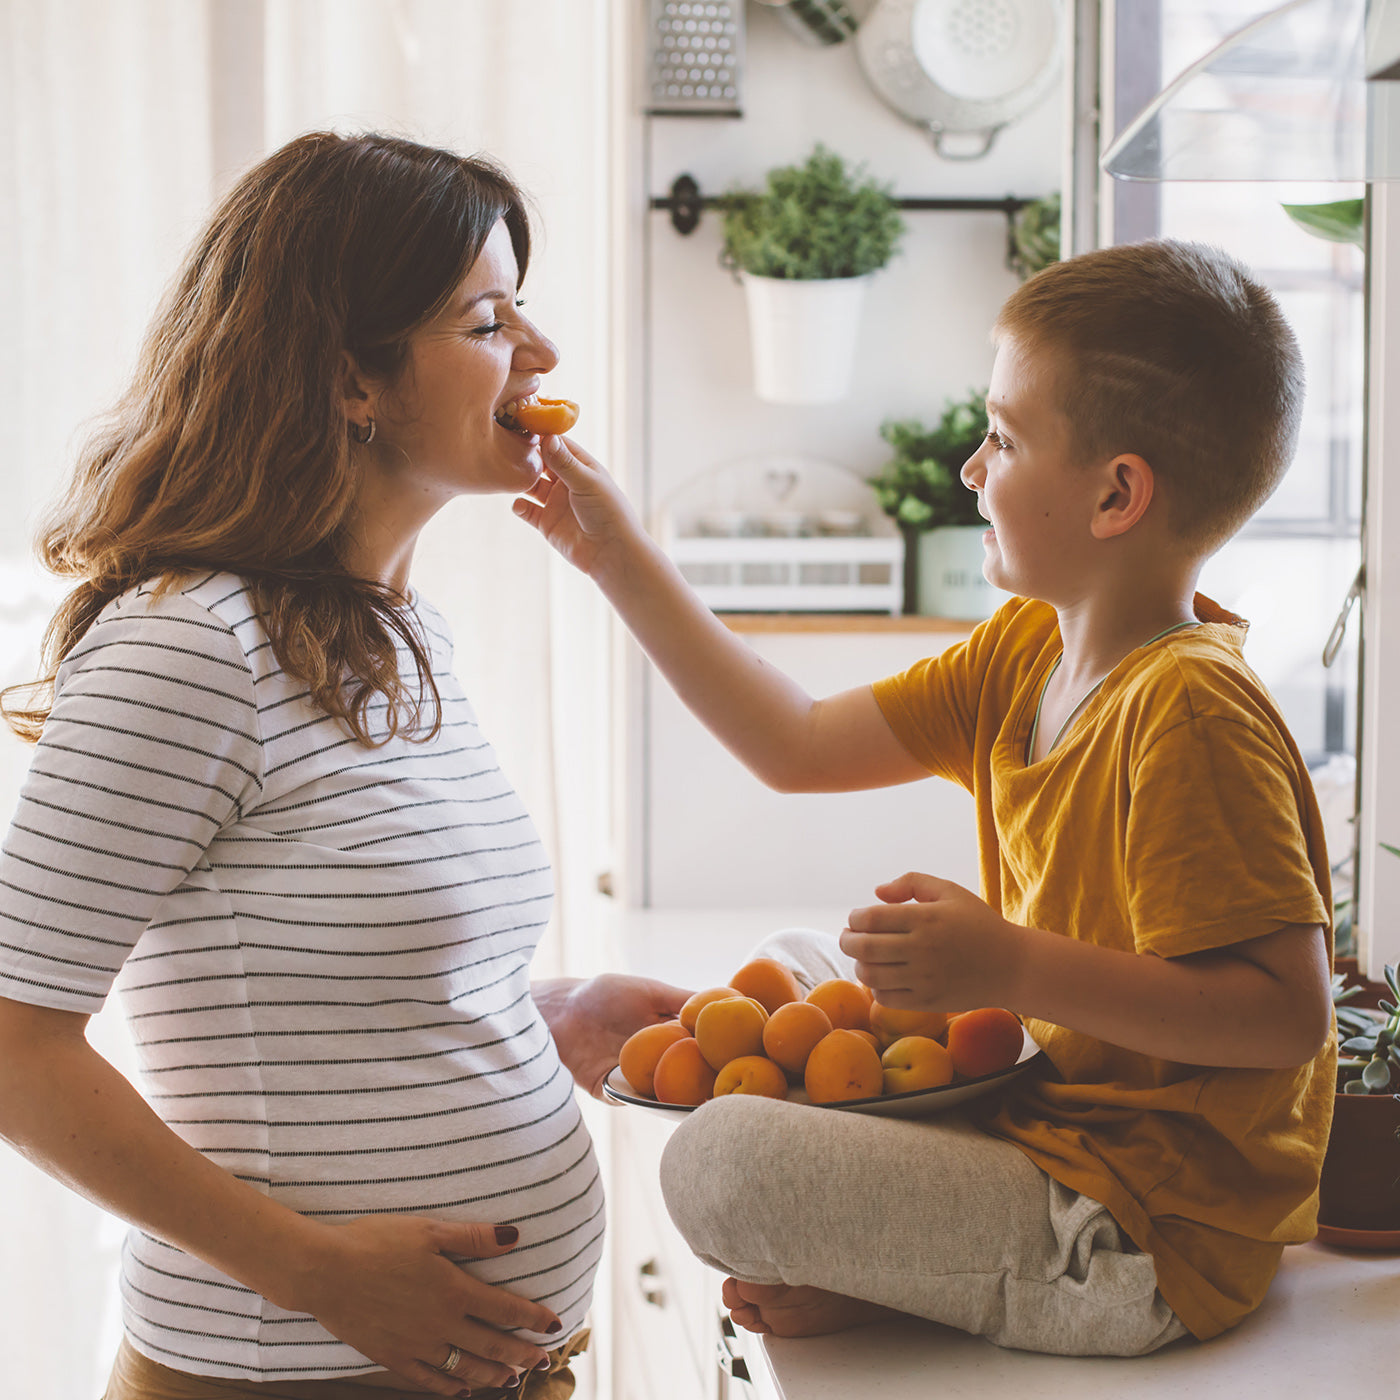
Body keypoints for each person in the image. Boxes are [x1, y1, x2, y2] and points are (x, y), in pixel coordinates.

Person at [513, 239, 1336, 1356]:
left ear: (1113, 493)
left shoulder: (1188, 707)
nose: (968, 466)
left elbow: (1283, 1014)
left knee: (716, 1164)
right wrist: (608, 552)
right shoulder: (1024, 650)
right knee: (802, 960)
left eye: (1000, 437)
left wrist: (1009, 963)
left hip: (1136, 1231)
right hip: (1049, 1121)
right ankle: (904, 1263)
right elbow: (791, 741)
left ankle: (918, 1275)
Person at [0, 130, 686, 1400]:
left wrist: (533, 1020)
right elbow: (11, 1039)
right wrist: (315, 1269)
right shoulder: (188, 641)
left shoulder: (397, 632)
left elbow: (324, 989)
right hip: (283, 1373)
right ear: (349, 379)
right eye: (488, 322)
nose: (537, 356)